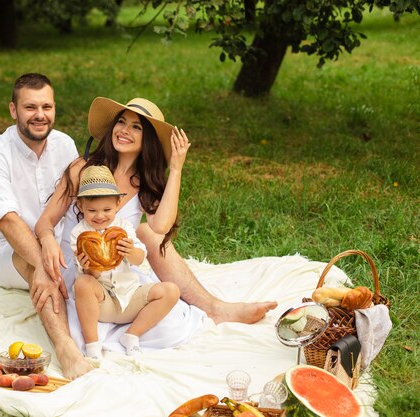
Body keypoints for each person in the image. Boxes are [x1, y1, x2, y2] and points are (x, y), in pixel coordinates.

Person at [35, 97, 277, 353]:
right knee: (82, 324)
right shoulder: (84, 169)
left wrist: (176, 169)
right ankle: (100, 335)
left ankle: (211, 310)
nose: (124, 130)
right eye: (121, 122)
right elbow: (45, 222)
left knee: (170, 323)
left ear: (147, 139)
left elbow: (161, 226)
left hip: (121, 276)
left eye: (136, 127)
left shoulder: (142, 183)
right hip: (82, 272)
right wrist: (48, 239)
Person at [0, 73, 93, 380]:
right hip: (7, 250)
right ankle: (66, 348)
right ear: (13, 110)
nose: (40, 115)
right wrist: (41, 264)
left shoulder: (65, 144)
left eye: (47, 106)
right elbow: (8, 222)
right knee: (39, 270)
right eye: (30, 107)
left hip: (58, 240)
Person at [70, 165, 180, 358]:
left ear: (118, 203)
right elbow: (92, 277)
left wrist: (130, 251)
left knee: (171, 291)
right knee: (82, 283)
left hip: (130, 298)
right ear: (80, 206)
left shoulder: (123, 228)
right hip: (102, 303)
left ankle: (132, 334)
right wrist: (89, 266)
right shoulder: (79, 235)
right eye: (92, 210)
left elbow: (140, 259)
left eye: (107, 209)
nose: (100, 215)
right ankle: (92, 345)